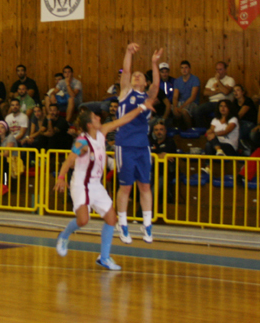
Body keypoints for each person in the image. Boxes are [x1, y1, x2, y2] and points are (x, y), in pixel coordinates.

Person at [53, 104, 149, 271]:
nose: (99, 118)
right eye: (95, 117)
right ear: (89, 124)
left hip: (96, 184)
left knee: (111, 219)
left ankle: (104, 258)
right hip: (81, 183)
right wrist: (61, 178)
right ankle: (64, 235)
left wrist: (142, 107)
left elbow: (123, 120)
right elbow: (68, 160)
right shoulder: (82, 142)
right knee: (83, 220)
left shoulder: (102, 131)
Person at [114, 43, 163, 244]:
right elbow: (126, 71)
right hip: (125, 145)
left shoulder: (148, 96)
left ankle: (147, 225)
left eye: (140, 75)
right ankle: (122, 224)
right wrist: (128, 52)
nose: (136, 76)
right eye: (134, 75)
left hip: (142, 146)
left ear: (145, 82)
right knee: (125, 187)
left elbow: (157, 85)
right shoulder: (126, 91)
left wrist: (154, 63)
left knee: (145, 185)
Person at [193, 61, 235, 129]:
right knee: (196, 111)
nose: (218, 72)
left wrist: (218, 80)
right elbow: (205, 93)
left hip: (224, 102)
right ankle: (203, 130)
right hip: (212, 103)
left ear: (225, 70)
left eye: (220, 69)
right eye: (217, 69)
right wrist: (219, 91)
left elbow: (226, 92)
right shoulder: (211, 80)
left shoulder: (230, 80)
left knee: (218, 112)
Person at [171, 61, 200, 129]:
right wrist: (175, 107)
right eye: (182, 68)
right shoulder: (177, 81)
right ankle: (177, 129)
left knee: (184, 111)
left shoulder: (195, 79)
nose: (184, 70)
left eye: (186, 68)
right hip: (181, 102)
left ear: (189, 69)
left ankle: (190, 129)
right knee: (172, 109)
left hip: (192, 102)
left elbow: (193, 97)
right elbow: (175, 96)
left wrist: (181, 107)